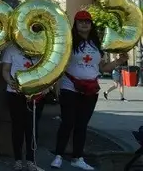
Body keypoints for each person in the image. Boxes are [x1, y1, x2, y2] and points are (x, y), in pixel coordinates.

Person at [51, 10, 128, 170]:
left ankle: (77, 157)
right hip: (69, 87)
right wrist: (55, 84)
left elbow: (104, 68)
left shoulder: (97, 45)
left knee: (82, 125)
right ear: (76, 24)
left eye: (87, 21)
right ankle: (58, 155)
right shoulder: (69, 42)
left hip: (90, 89)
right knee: (67, 122)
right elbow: (59, 64)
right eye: (81, 21)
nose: (84, 24)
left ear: (91, 24)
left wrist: (120, 60)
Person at [2, 41, 46, 171]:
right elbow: (5, 70)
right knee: (17, 127)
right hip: (15, 93)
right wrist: (10, 82)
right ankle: (18, 160)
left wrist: (46, 86)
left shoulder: (42, 46)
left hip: (35, 94)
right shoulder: (12, 48)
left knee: (32, 127)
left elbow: (47, 69)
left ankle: (31, 160)